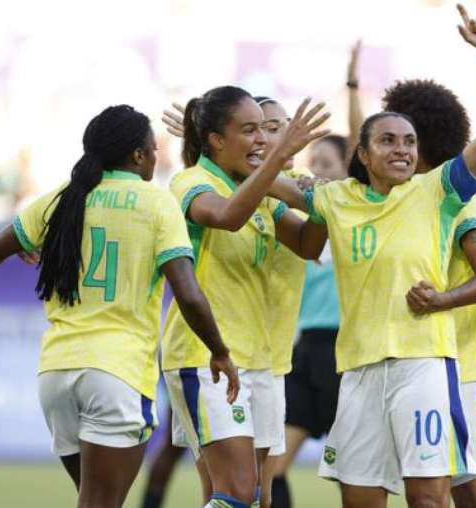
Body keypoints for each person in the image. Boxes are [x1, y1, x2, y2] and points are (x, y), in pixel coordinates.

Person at [265, 6, 476, 507]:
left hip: (422, 367)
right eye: (388, 141)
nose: (401, 150)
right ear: (363, 153)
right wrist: (273, 145)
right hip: (356, 371)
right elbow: (265, 183)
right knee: (359, 501)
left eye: (409, 141)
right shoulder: (334, 198)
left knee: (427, 498)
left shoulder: (437, 192)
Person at [0, 105, 239, 508]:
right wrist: (219, 351)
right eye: (152, 150)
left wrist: (28, 247)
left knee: (95, 500)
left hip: (56, 373)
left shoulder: (62, 200)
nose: (155, 158)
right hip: (116, 372)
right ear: (137, 155)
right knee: (100, 503)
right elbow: (187, 292)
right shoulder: (156, 203)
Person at [377, 7, 476, 508]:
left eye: (403, 136)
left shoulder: (460, 195)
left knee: (471, 502)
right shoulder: (416, 193)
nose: (393, 146)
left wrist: (440, 300)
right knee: (434, 495)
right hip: (439, 364)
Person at [160, 86, 330, 508]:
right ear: (216, 139)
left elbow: (309, 245)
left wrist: (327, 204)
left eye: (268, 130)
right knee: (235, 492)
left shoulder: (261, 192)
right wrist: (277, 160)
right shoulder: (192, 182)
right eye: (252, 130)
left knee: (257, 498)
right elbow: (225, 216)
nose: (263, 140)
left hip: (264, 362)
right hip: (208, 359)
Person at [268, 135, 348, 508]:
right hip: (303, 353)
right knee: (272, 465)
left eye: (327, 163)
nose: (316, 170)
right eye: (312, 162)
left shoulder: (358, 220)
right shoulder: (301, 228)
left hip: (343, 355)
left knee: (350, 472)